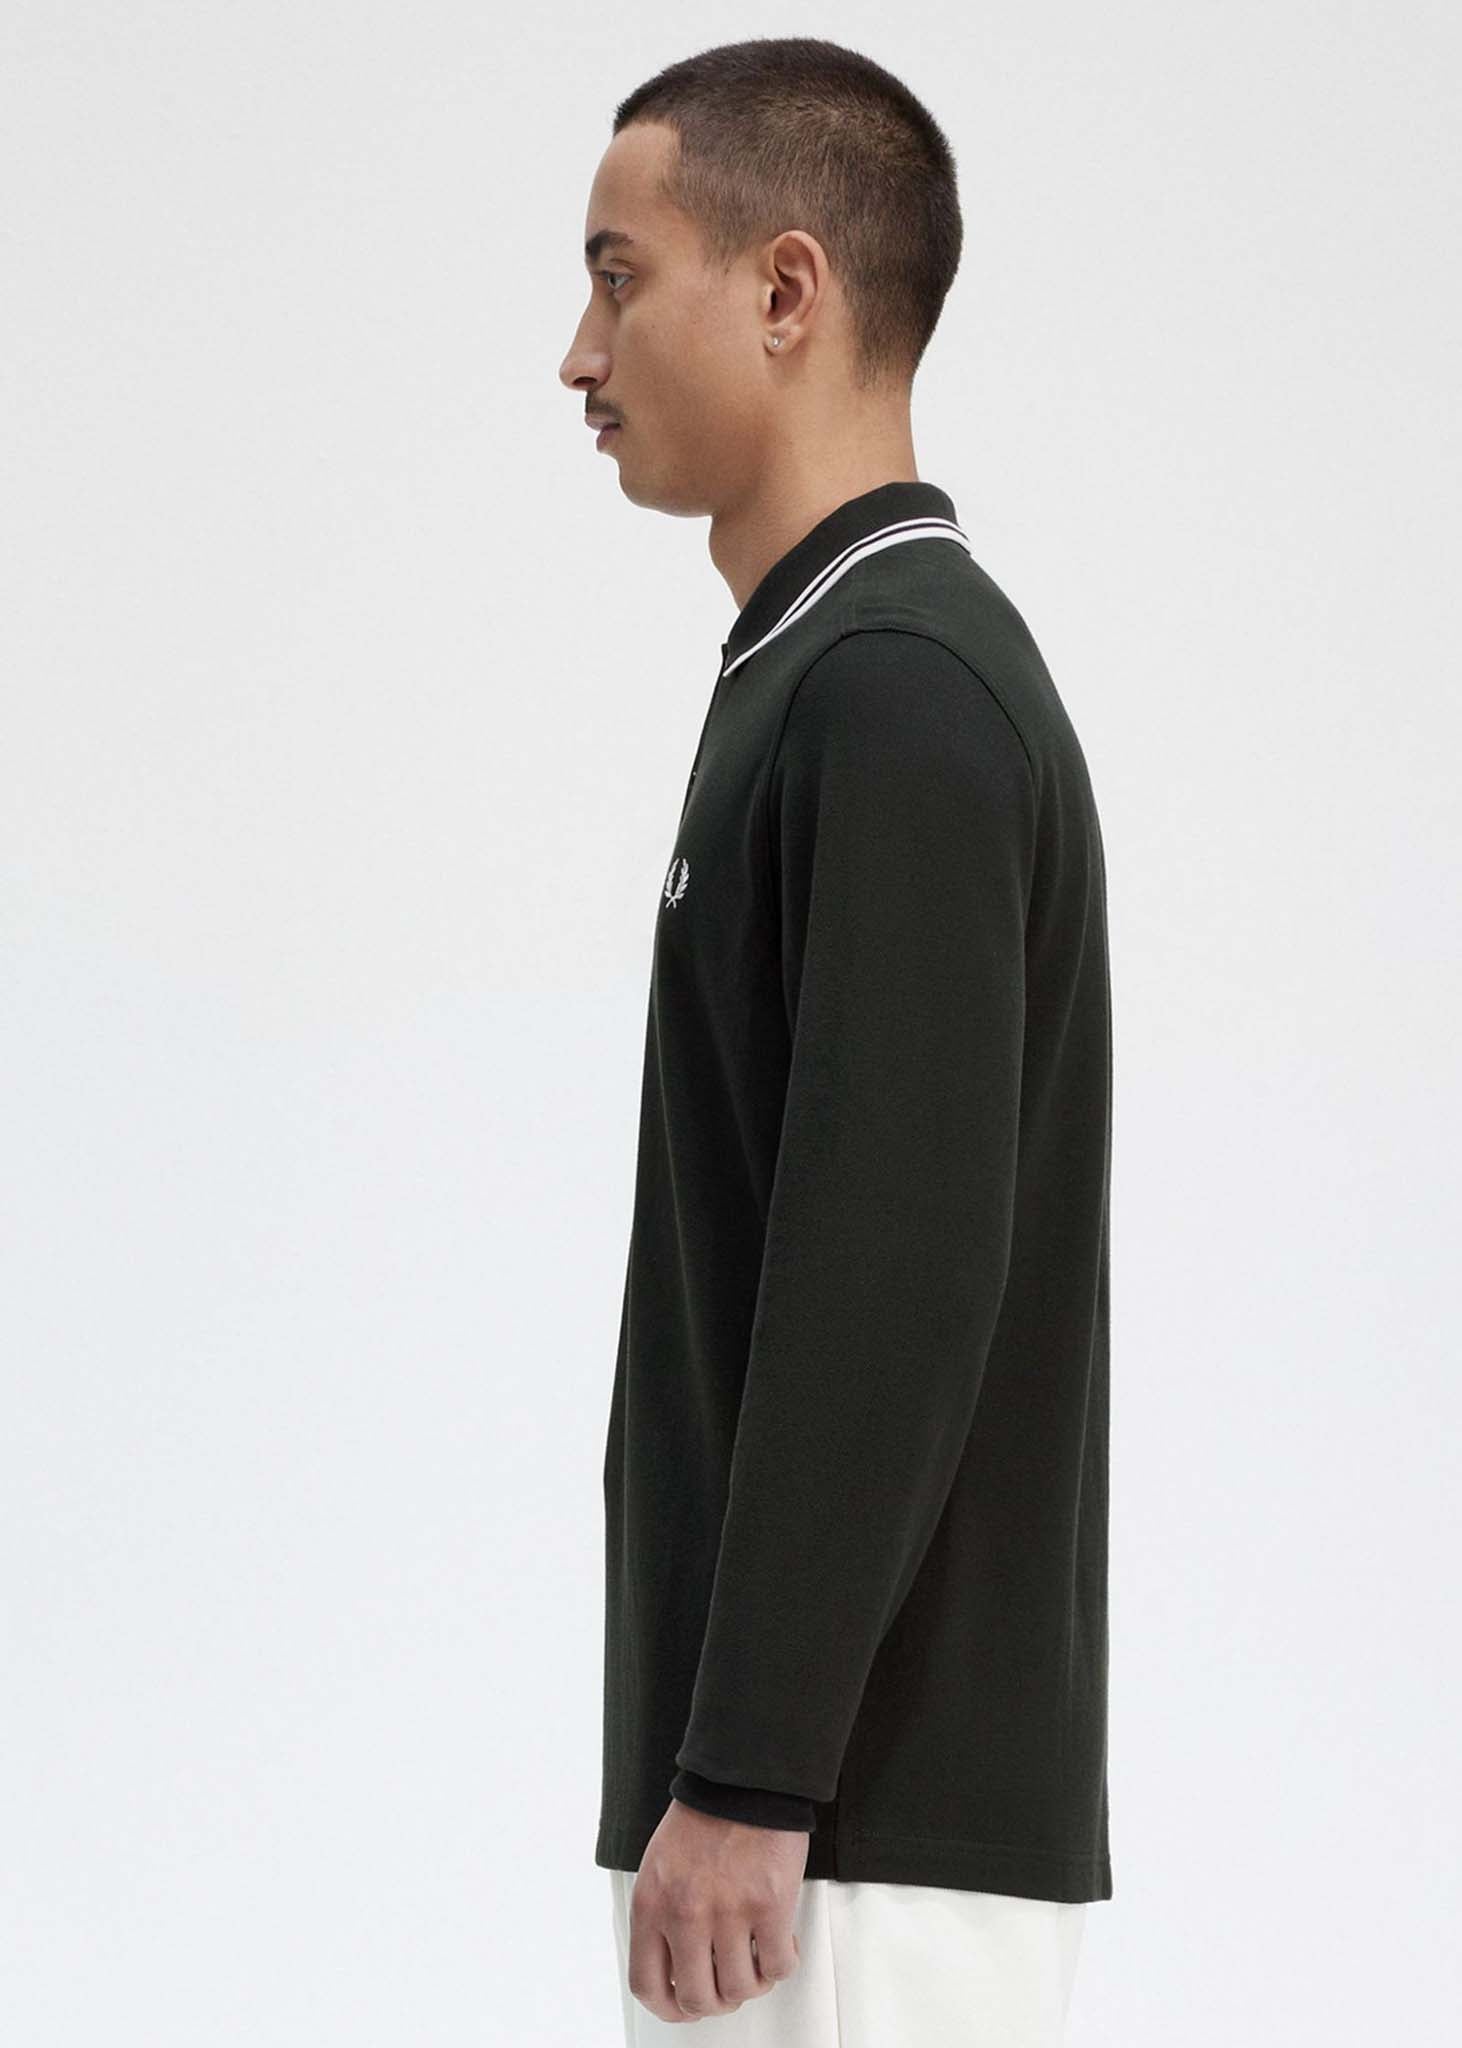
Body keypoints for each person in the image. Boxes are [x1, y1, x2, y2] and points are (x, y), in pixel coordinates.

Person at [559, 36, 1113, 2045]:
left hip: (848, 1849)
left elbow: (890, 1264)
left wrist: (753, 1771)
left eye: (619, 276)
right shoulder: (827, 674)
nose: (577, 354)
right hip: (809, 1834)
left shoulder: (891, 695)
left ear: (784, 290)